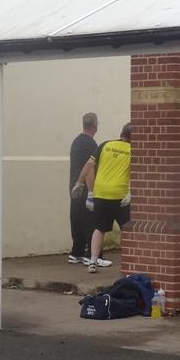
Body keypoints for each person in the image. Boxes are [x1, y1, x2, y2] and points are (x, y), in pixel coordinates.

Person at [75, 122, 132, 271]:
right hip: (120, 196)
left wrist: (81, 184)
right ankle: (129, 262)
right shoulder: (134, 149)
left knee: (99, 228)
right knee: (127, 230)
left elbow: (89, 165)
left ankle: (93, 261)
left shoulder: (105, 145)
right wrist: (131, 192)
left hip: (100, 194)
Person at [66, 112, 101, 265]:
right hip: (85, 187)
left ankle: (76, 252)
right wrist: (91, 192)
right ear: (96, 126)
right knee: (90, 219)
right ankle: (91, 253)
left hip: (74, 186)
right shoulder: (91, 145)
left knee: (76, 218)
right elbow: (89, 168)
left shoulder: (76, 142)